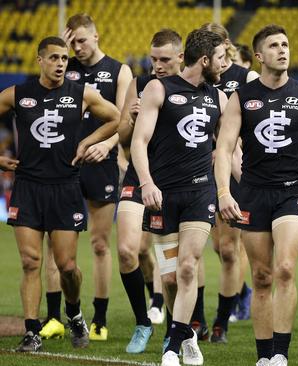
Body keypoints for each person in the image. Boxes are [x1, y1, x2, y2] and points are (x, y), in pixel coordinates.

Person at [215, 24, 298, 366]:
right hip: (252, 193)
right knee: (262, 276)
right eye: (274, 45)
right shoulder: (241, 98)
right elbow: (223, 149)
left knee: (284, 269)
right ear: (258, 56)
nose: (282, 50)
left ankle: (280, 354)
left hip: (290, 194)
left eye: (285, 44)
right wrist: (224, 192)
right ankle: (264, 357)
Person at [0, 36, 121, 351]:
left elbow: (117, 119)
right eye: (53, 58)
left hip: (66, 187)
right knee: (30, 261)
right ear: (39, 60)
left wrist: (89, 142)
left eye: (64, 59)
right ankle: (31, 332)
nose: (60, 64)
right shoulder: (18, 94)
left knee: (67, 266)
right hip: (27, 186)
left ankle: (75, 313)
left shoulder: (82, 94)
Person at [130, 29, 229, 366]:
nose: (224, 65)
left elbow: (230, 149)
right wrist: (146, 183)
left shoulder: (220, 98)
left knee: (188, 266)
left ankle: (172, 345)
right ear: (205, 60)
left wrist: (234, 189)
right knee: (170, 276)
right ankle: (185, 332)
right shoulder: (158, 89)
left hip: (200, 194)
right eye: (220, 59)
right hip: (163, 195)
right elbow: (139, 141)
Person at [39, 13, 133, 342]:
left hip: (99, 162)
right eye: (71, 42)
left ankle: (100, 319)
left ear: (96, 37)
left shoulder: (119, 70)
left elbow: (124, 119)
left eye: (82, 40)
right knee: (55, 246)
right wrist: (60, 48)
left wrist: (106, 144)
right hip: (62, 165)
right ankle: (53, 318)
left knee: (98, 244)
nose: (77, 47)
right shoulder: (64, 69)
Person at [115, 28, 184, 354]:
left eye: (165, 59)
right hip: (136, 177)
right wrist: (129, 119)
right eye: (153, 59)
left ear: (181, 58)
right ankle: (143, 321)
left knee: (170, 270)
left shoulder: (191, 90)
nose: (157, 65)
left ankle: (175, 328)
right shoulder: (140, 85)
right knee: (128, 251)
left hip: (173, 182)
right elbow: (124, 139)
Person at [200, 22, 259, 344]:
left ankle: (221, 321)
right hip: (200, 169)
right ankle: (200, 315)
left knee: (229, 248)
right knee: (214, 248)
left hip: (233, 167)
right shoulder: (197, 78)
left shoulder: (244, 78)